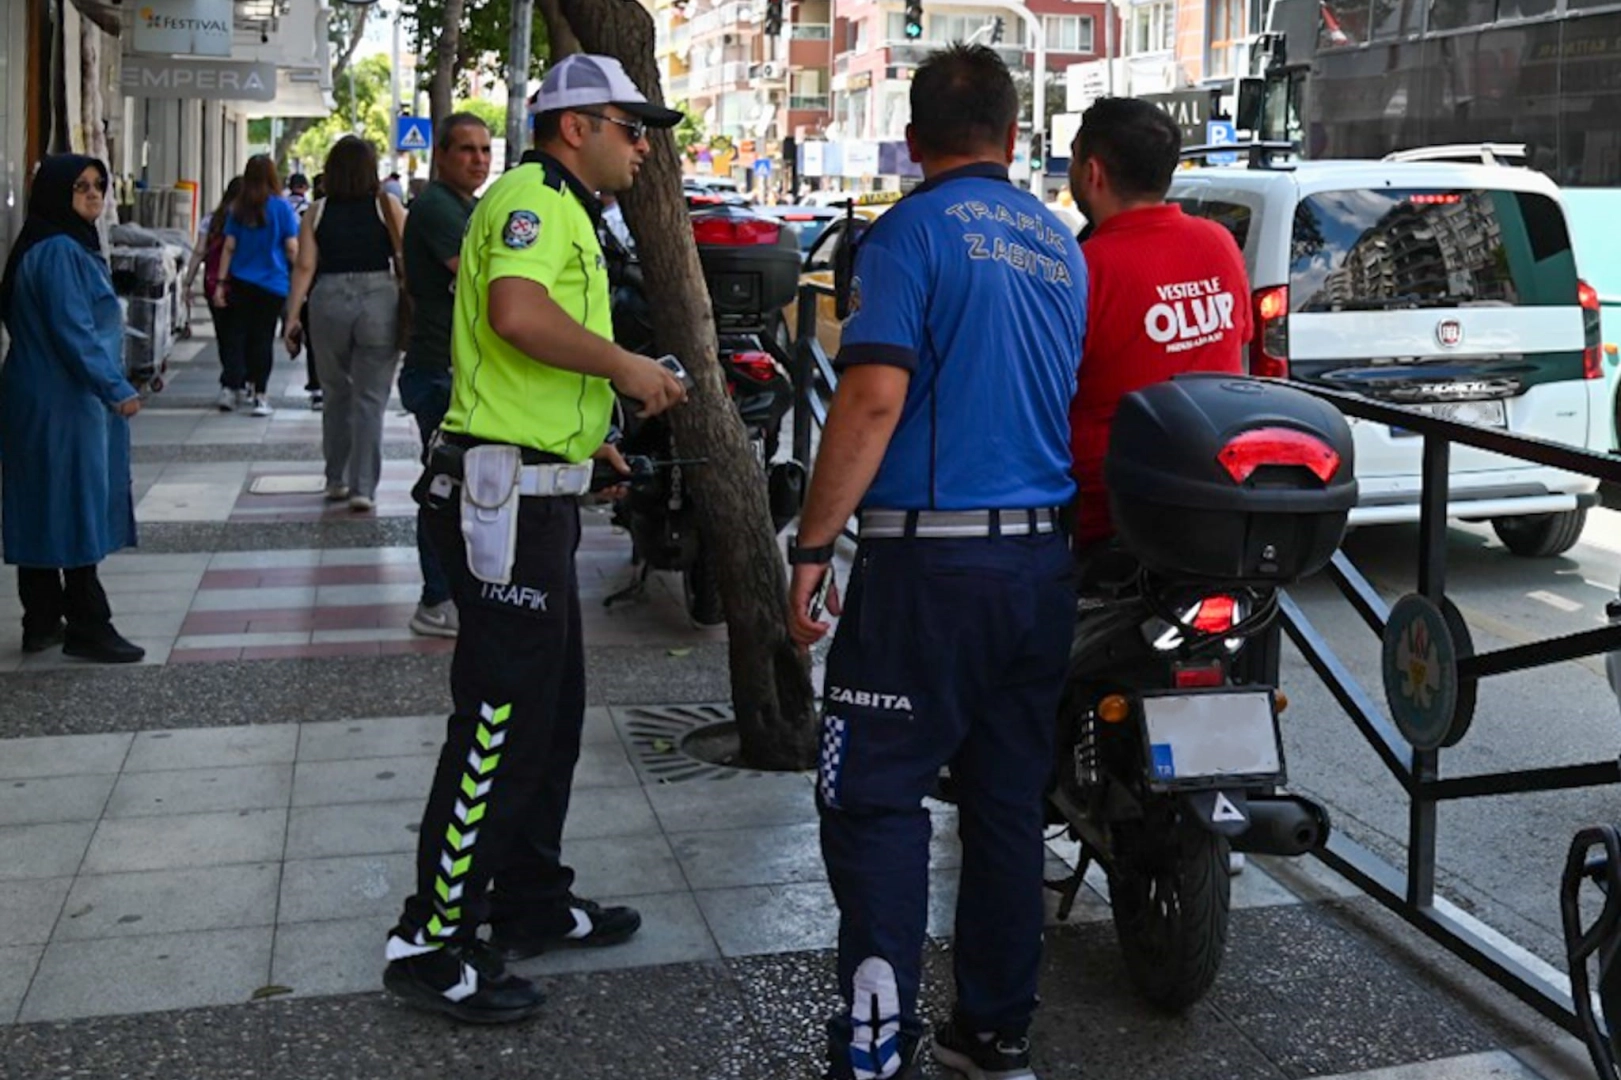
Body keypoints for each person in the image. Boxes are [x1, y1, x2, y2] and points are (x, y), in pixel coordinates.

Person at [786, 45, 1086, 1080]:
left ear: (913, 143)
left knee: (872, 795)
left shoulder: (908, 233)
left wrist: (813, 548)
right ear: (1012, 138)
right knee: (1006, 806)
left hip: (929, 572)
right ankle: (995, 1032)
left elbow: (870, 399)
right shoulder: (1059, 242)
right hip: (1039, 568)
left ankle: (873, 1045)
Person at [382, 54, 688, 1024]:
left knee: (547, 715)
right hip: (503, 506)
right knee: (498, 722)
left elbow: (532, 357)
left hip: (537, 496)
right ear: (573, 127)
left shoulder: (564, 205)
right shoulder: (532, 199)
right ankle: (431, 940)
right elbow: (517, 316)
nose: (643, 146)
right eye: (628, 128)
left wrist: (587, 437)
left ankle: (527, 899)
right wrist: (632, 370)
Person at [1066, 97, 1251, 554]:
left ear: (1092, 172)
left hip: (1105, 513)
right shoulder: (1219, 243)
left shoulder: (1082, 268)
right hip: (1211, 494)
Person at [0, 155, 145, 664]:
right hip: (64, 401)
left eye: (99, 186)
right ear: (57, 192)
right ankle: (88, 622)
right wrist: (116, 388)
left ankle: (41, 619)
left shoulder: (42, 241)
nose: (93, 195)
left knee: (43, 505)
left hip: (38, 395)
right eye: (80, 186)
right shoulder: (61, 250)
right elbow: (74, 332)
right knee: (74, 506)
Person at [398, 113, 492, 638]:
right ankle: (435, 600)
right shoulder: (437, 207)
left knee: (457, 485)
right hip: (437, 369)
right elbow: (481, 274)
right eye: (466, 150)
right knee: (444, 486)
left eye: (483, 150)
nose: (478, 159)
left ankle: (450, 593)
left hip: (453, 368)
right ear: (441, 156)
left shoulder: (468, 206)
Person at [283, 136, 407, 513]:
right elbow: (405, 259)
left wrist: (291, 318)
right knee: (371, 399)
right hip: (379, 301)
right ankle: (363, 488)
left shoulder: (316, 212)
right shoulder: (388, 206)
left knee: (335, 394)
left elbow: (305, 267)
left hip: (328, 301)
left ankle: (336, 478)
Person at [213, 154, 299, 417]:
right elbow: (291, 248)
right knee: (262, 338)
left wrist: (220, 283)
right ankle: (260, 394)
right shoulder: (282, 208)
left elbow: (229, 246)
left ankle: (231, 388)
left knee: (236, 335)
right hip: (273, 285)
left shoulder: (238, 208)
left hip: (241, 282)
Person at [183, 177, 243, 408]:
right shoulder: (247, 220)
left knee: (225, 333)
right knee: (241, 332)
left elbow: (199, 251)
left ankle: (230, 382)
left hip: (213, 283)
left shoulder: (212, 219)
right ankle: (237, 380)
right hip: (242, 283)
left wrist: (188, 281)